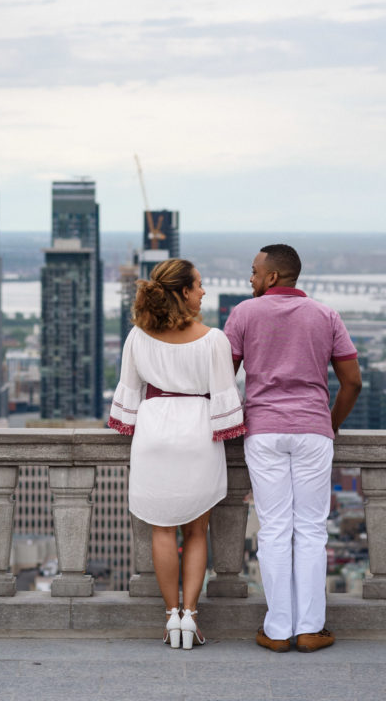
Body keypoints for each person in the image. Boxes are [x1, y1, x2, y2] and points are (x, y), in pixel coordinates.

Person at [224, 244, 362, 654]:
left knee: (274, 529)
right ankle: (310, 628)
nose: (249, 279)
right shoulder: (325, 314)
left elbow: (222, 378)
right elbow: (352, 381)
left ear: (271, 277)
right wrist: (328, 423)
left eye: (253, 272)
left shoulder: (243, 314)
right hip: (313, 432)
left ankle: (278, 629)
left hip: (263, 432)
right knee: (311, 530)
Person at [108, 258, 245, 649]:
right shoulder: (214, 339)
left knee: (162, 529)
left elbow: (129, 394)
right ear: (183, 292)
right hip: (198, 434)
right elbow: (224, 399)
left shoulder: (137, 336)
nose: (203, 291)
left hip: (153, 433)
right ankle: (191, 617)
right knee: (197, 532)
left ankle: (171, 619)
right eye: (199, 285)